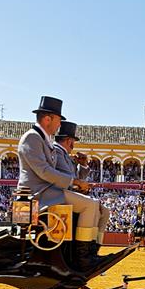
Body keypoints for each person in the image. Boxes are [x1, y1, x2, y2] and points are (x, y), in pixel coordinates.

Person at [17, 96, 104, 270]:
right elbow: (44, 171)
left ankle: (89, 252)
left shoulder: (44, 139)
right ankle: (83, 259)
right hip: (38, 194)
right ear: (48, 119)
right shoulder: (31, 138)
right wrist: (75, 181)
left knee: (92, 206)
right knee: (90, 205)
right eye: (58, 120)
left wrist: (76, 178)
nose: (59, 125)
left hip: (49, 190)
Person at [52, 120, 111, 248]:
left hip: (67, 192)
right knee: (92, 204)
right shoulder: (57, 152)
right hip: (58, 194)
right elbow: (71, 179)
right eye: (73, 141)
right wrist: (80, 185)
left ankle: (95, 246)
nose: (73, 145)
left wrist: (83, 165)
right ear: (69, 141)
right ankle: (84, 251)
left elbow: (76, 177)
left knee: (105, 212)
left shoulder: (65, 155)